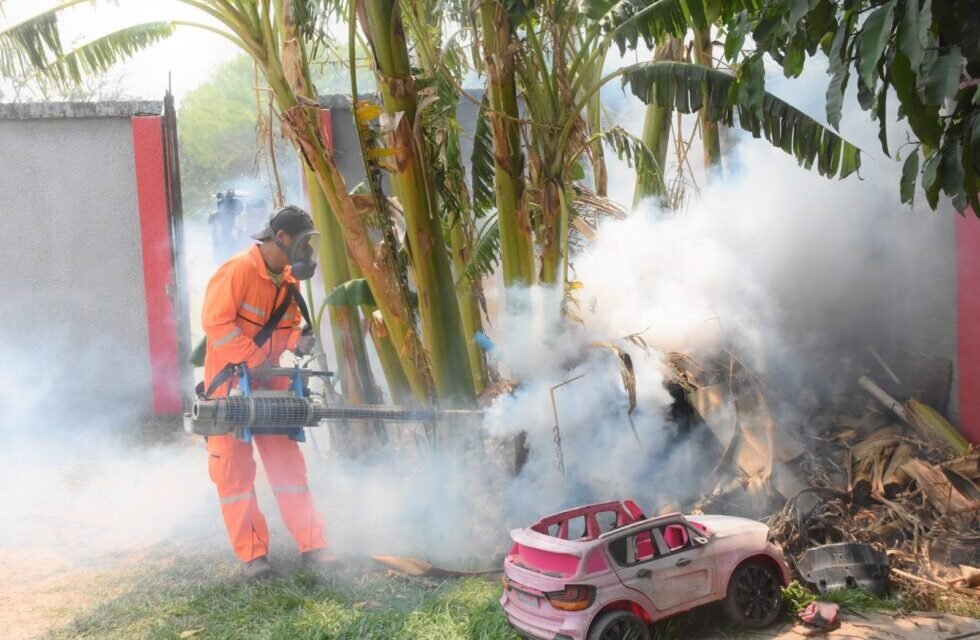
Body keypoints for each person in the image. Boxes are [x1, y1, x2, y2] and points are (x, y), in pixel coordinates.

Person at [200, 205, 332, 580]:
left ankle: (314, 544)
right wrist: (251, 357)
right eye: (304, 242)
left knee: (288, 469)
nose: (307, 251)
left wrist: (297, 339)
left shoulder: (289, 281)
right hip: (229, 387)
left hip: (270, 386)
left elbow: (288, 324)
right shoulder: (237, 270)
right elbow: (216, 323)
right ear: (282, 238)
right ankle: (254, 557)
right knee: (235, 477)